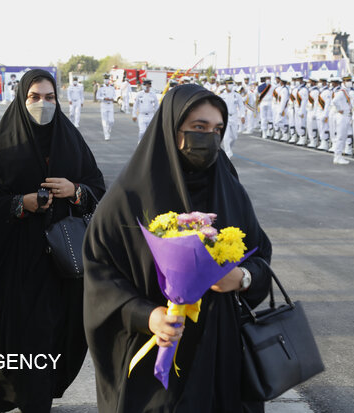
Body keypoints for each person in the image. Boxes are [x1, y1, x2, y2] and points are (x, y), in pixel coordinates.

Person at [83, 84, 273, 413]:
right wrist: (148, 315)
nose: (209, 139)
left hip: (219, 353)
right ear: (172, 129)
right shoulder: (130, 196)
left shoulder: (229, 190)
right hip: (155, 352)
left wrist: (240, 277)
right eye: (199, 128)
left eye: (217, 130)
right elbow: (100, 273)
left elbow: (260, 256)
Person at [0, 69, 105, 413]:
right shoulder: (2, 143)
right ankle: (8, 395)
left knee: (50, 331)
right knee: (11, 333)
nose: (43, 104)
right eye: (34, 97)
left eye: (49, 97)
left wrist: (75, 190)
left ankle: (36, 397)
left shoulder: (70, 139)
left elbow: (97, 186)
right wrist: (19, 203)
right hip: (12, 259)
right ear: (22, 100)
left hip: (60, 260)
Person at [219, 77, 245, 157]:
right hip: (225, 117)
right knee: (226, 137)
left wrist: (242, 116)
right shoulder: (221, 95)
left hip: (234, 117)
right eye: (228, 83)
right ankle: (228, 153)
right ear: (225, 85)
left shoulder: (237, 95)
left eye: (231, 83)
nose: (230, 85)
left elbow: (241, 106)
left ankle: (228, 148)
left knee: (234, 137)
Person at [132, 78, 159, 142]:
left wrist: (157, 116)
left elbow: (156, 106)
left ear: (150, 86)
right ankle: (140, 143)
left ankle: (147, 146)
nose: (145, 86)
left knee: (150, 132)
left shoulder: (153, 95)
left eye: (147, 85)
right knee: (142, 131)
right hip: (142, 115)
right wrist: (134, 115)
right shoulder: (139, 94)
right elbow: (135, 105)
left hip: (150, 115)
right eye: (144, 85)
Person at [96, 73, 115, 140]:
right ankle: (106, 135)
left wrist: (113, 99)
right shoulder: (101, 88)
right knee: (105, 121)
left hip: (110, 105)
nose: (106, 80)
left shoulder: (112, 87)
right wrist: (104, 98)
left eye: (107, 79)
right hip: (104, 105)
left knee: (111, 121)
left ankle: (108, 130)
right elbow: (97, 97)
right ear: (104, 80)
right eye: (105, 79)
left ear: (109, 80)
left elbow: (114, 96)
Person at [257, 74, 274, 139]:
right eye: (267, 78)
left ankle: (270, 131)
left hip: (270, 102)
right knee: (263, 118)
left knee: (270, 118)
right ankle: (264, 131)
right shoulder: (260, 86)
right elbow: (258, 95)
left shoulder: (273, 86)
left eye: (269, 78)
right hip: (263, 102)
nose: (268, 79)